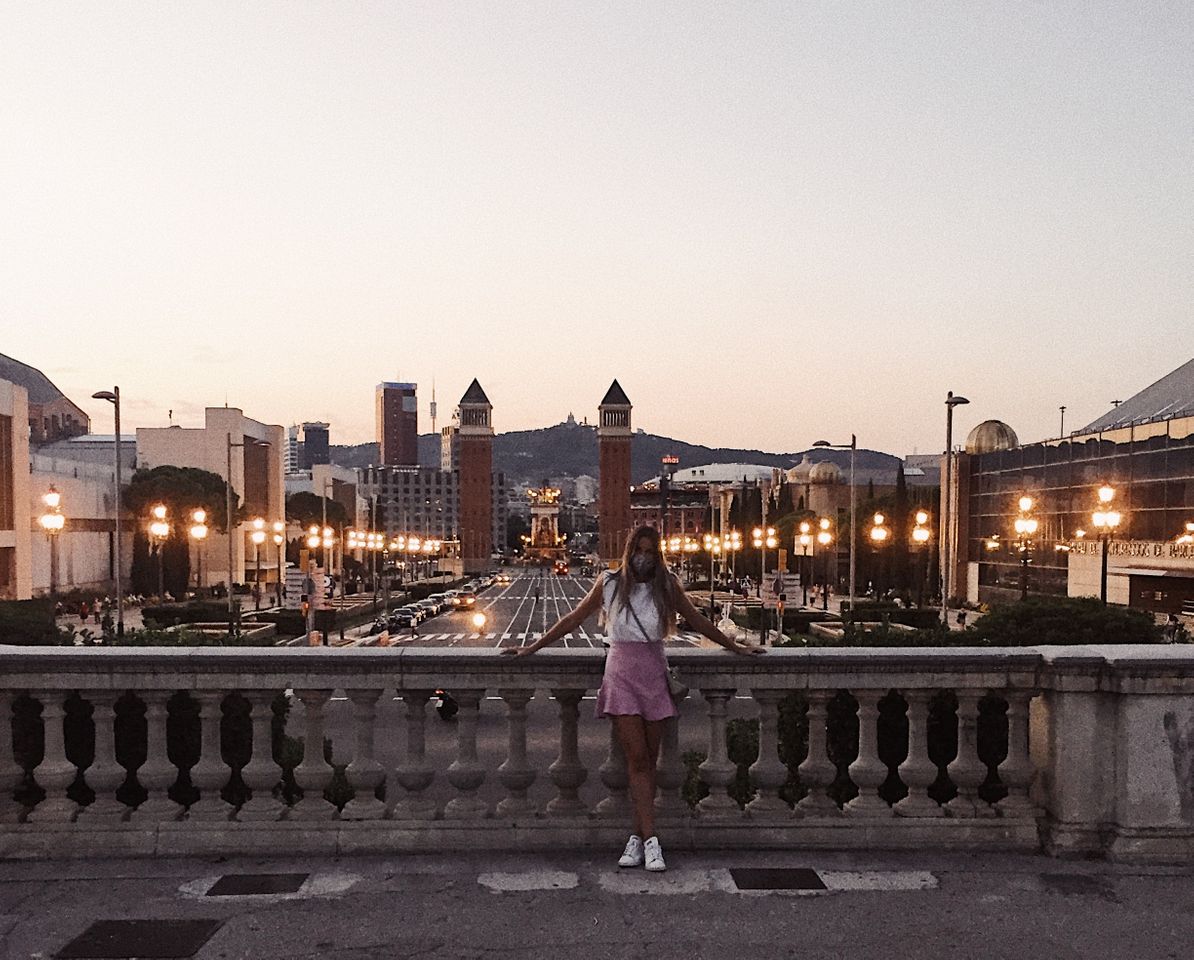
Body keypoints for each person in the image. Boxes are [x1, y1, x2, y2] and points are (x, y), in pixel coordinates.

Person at [503, 526, 763, 873]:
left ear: (658, 555)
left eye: (650, 551)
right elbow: (572, 619)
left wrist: (737, 646)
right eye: (639, 550)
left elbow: (699, 621)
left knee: (647, 763)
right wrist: (531, 647)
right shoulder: (609, 583)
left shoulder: (667, 585)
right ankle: (652, 841)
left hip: (654, 674)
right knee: (637, 758)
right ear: (629, 552)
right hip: (621, 675)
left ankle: (638, 839)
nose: (644, 557)